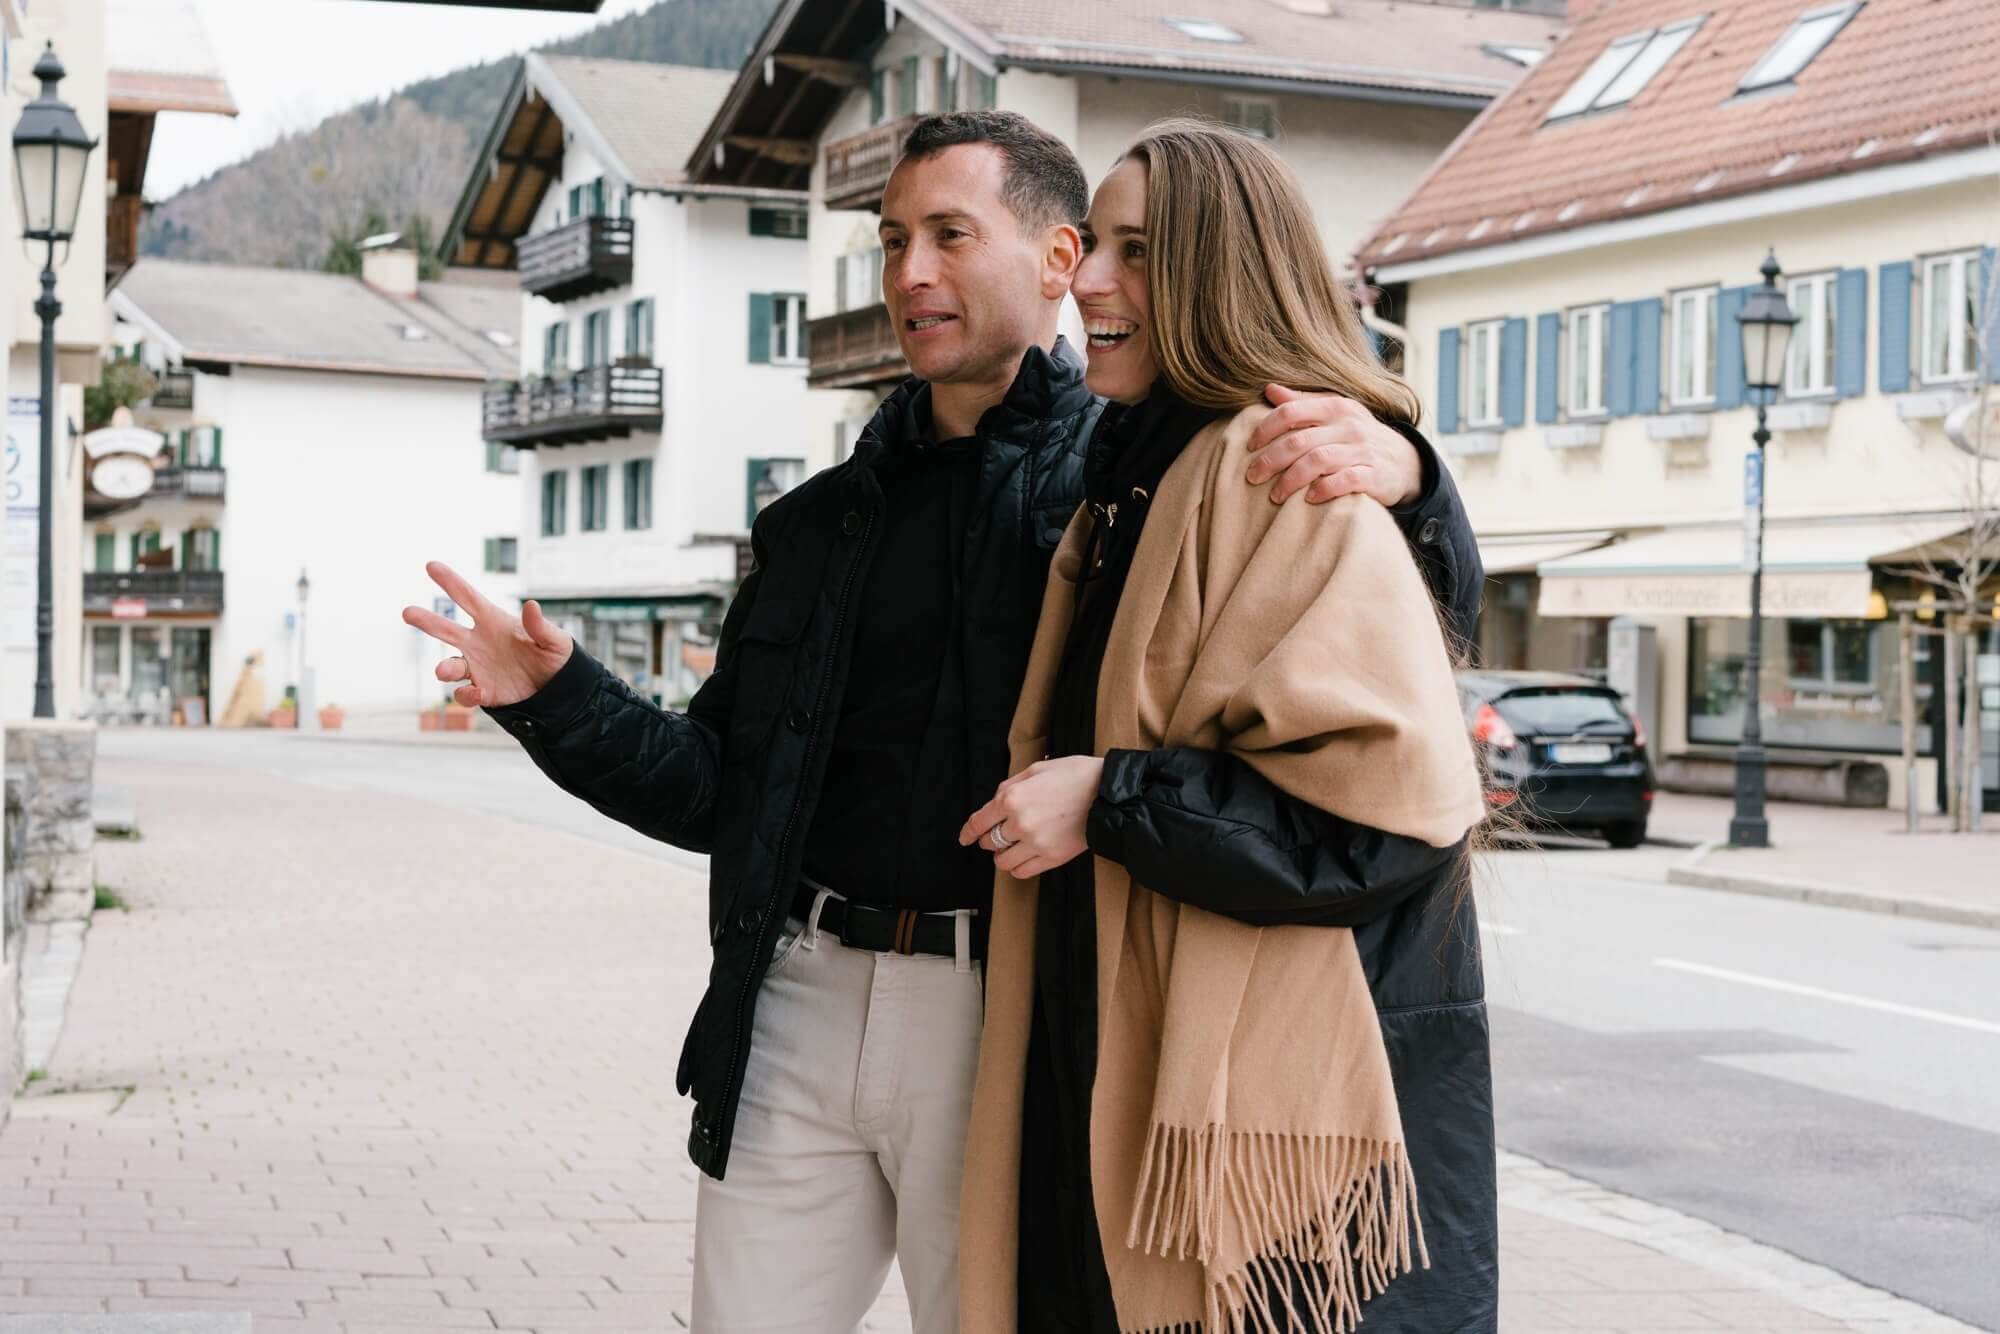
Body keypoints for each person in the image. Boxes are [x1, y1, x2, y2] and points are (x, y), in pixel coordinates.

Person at [401, 110, 1483, 1334]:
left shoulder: (1142, 490)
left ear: (1056, 261)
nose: (910, 271)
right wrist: (556, 697)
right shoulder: (815, 526)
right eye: (892, 239)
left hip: (1011, 1008)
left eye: (950, 235)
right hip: (794, 996)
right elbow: (718, 786)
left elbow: (1380, 649)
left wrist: (1412, 478)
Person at [955, 119, 1495, 1334]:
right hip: (1111, 1056)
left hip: (1264, 1135)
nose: (1086, 278)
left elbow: (1381, 812)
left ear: (1223, 276)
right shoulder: (1132, 478)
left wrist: (1108, 798)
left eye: (1136, 252)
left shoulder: (1276, 465)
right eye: (1094, 244)